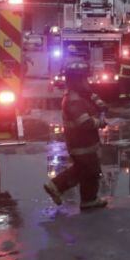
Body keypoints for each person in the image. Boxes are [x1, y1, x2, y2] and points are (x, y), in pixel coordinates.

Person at [44, 62, 109, 210]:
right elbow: (84, 122)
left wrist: (100, 104)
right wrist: (100, 122)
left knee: (88, 171)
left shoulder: (82, 94)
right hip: (81, 143)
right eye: (84, 78)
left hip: (86, 142)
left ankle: (88, 200)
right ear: (77, 80)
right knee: (87, 170)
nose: (87, 81)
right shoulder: (73, 99)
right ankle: (56, 185)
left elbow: (94, 99)